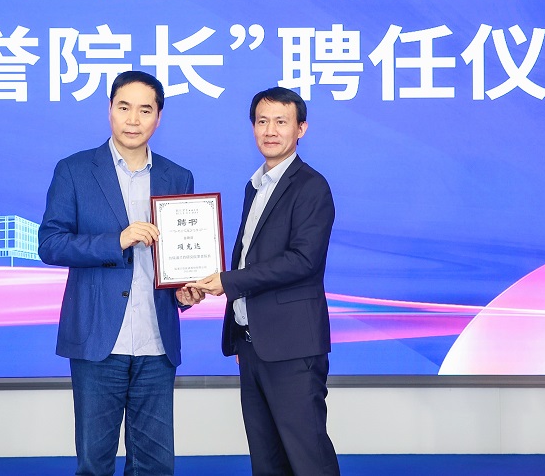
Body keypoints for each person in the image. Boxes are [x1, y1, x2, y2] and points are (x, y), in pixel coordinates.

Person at [38, 70, 204, 476]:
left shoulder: (177, 177)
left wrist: (184, 292)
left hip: (156, 343)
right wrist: (117, 240)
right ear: (109, 110)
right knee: (95, 464)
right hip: (98, 341)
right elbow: (51, 243)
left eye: (145, 110)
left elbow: (179, 258)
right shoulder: (75, 170)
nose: (133, 119)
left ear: (158, 117)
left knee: (155, 465)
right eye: (124, 107)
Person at [189, 86, 340, 476]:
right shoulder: (255, 185)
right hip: (254, 343)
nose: (270, 130)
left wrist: (229, 281)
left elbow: (303, 261)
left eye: (281, 121)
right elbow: (249, 256)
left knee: (307, 457)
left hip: (291, 345)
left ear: (301, 128)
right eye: (261, 121)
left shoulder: (311, 186)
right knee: (266, 459)